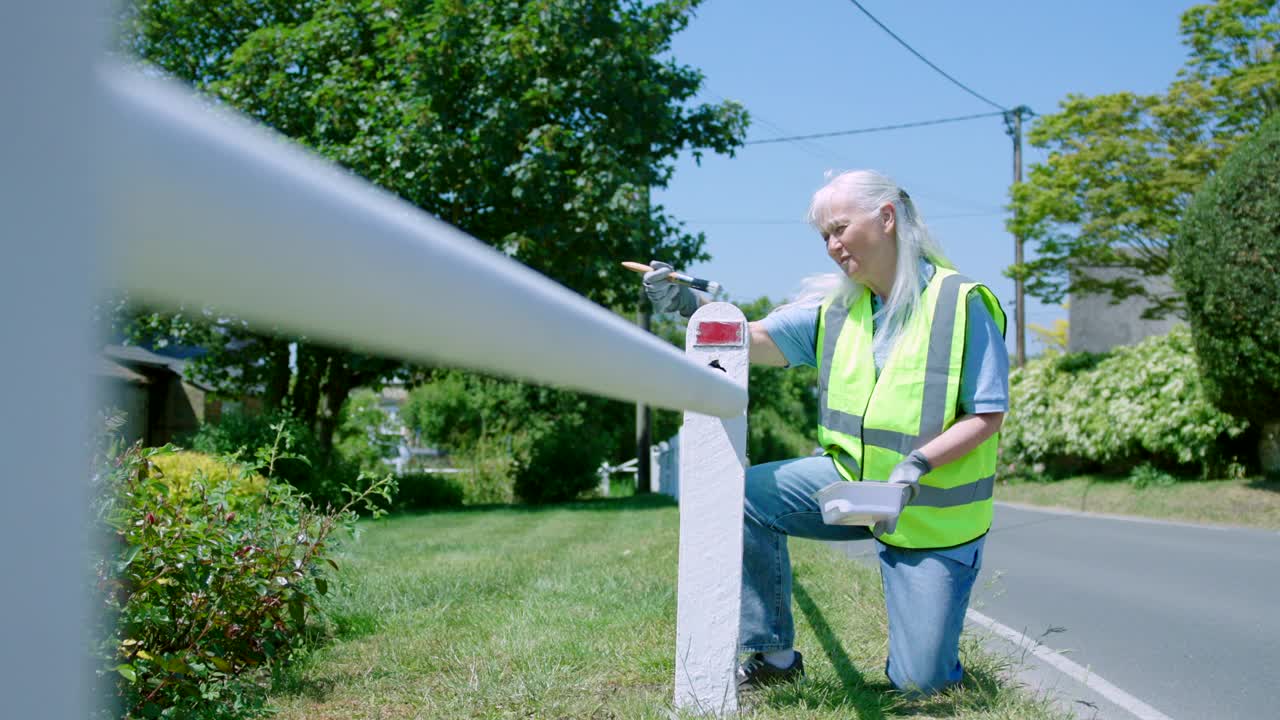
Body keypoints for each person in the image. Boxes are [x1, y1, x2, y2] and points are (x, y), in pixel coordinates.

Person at [643, 169, 1009, 698]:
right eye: (825, 237)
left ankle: (925, 657)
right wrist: (691, 308)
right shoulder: (837, 309)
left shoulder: (962, 302)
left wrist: (914, 467)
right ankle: (774, 655)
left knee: (921, 685)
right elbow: (755, 339)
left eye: (840, 229)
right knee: (742, 495)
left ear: (886, 218)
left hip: (929, 514)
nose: (833, 246)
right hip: (848, 488)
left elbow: (987, 414)